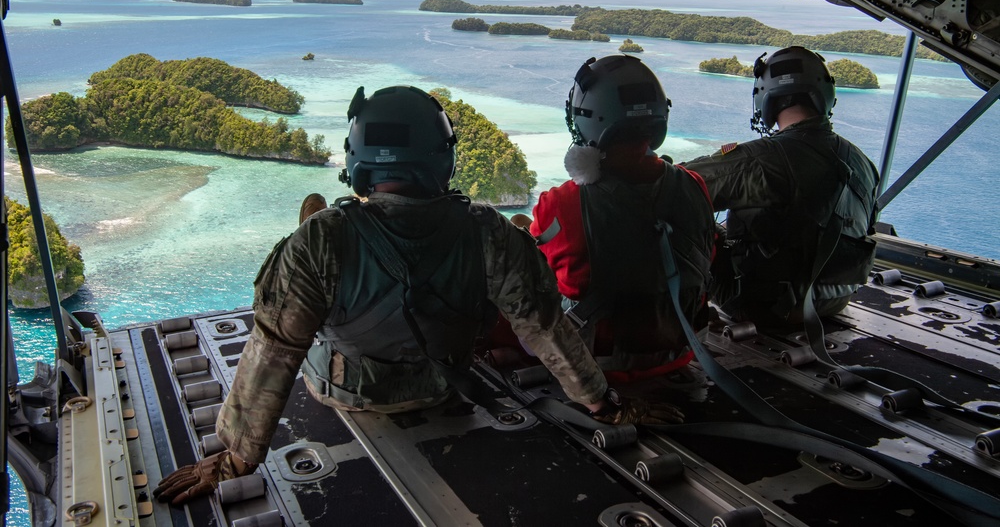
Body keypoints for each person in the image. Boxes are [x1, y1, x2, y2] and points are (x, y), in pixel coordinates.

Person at [155, 85, 681, 506]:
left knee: (315, 231)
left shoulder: (318, 241)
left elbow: (272, 353)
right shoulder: (490, 232)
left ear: (358, 156)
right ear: (440, 157)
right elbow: (545, 329)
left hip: (347, 391)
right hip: (442, 385)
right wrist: (603, 404)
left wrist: (235, 460)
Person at [528, 55, 716, 379]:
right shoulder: (693, 185)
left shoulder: (561, 203)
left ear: (587, 118)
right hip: (679, 354)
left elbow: (546, 274)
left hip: (596, 370)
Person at [684, 46, 879, 325]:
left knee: (690, 221)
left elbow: (677, 184)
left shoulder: (762, 158)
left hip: (764, 306)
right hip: (834, 301)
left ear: (766, 98)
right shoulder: (862, 161)